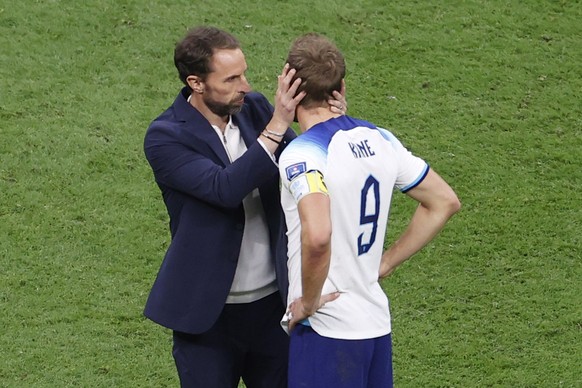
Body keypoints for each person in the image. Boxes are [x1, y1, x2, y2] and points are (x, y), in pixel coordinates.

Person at [142, 26, 346, 388]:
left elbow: (306, 163)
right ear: (196, 82)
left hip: (273, 309)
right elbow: (224, 189)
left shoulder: (253, 109)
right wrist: (278, 125)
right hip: (207, 318)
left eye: (244, 73)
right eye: (232, 78)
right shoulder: (166, 136)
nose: (246, 86)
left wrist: (331, 125)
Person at [278, 33, 461, 388]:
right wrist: (387, 262)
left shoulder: (302, 154)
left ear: (288, 82)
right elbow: (444, 201)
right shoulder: (381, 138)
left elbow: (318, 236)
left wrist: (308, 304)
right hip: (375, 325)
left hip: (327, 331)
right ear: (341, 87)